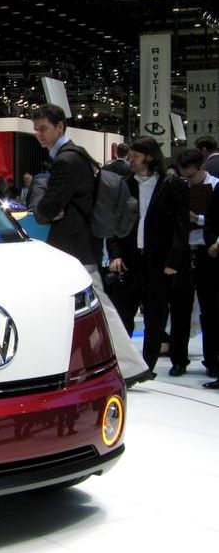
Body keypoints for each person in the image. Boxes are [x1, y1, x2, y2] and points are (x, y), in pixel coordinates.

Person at [30, 104, 151, 386]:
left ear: (60, 126)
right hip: (83, 243)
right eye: (36, 129)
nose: (39, 134)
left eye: (43, 128)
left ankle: (130, 367)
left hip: (73, 246)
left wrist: (44, 210)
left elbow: (47, 208)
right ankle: (125, 366)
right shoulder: (79, 155)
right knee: (94, 305)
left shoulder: (66, 161)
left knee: (99, 306)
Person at [106, 136, 189, 374]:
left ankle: (146, 367)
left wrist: (173, 260)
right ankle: (124, 366)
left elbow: (180, 226)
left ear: (150, 157)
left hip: (159, 262)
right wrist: (114, 254)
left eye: (136, 156)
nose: (130, 159)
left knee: (155, 317)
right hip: (129, 260)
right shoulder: (124, 185)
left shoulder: (172, 185)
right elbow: (113, 223)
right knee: (123, 316)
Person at [168, 148, 219, 377]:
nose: (188, 180)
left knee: (211, 309)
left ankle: (212, 360)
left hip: (209, 252)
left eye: (191, 176)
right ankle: (179, 360)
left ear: (202, 167)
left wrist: (197, 218)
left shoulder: (216, 186)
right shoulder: (179, 187)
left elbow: (216, 220)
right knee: (180, 309)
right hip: (183, 252)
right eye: (185, 176)